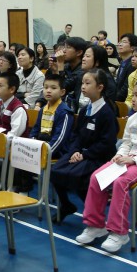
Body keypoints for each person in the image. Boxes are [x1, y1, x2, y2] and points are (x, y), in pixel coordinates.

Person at [76, 79, 137, 253]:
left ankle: (119, 232)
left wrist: (134, 160)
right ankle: (95, 225)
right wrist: (119, 155)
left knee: (121, 183)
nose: (132, 99)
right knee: (97, 177)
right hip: (129, 159)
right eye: (132, 95)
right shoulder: (133, 118)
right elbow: (126, 143)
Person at [50, 69, 118, 223]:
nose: (83, 86)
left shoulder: (107, 112)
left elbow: (107, 143)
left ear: (100, 87)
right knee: (54, 170)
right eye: (82, 83)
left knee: (77, 176)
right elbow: (76, 135)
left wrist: (85, 154)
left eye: (88, 83)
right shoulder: (84, 110)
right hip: (80, 153)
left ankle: (92, 211)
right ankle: (66, 205)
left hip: (99, 156)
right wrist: (75, 150)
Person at [29, 72, 74, 159]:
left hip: (55, 153)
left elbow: (59, 139)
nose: (48, 90)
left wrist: (44, 154)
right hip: (39, 149)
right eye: (46, 87)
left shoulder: (64, 112)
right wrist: (31, 147)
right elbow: (35, 130)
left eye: (53, 88)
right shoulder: (43, 109)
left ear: (62, 92)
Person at [0, 72, 28, 138]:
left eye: (0, 86)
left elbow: (14, 135)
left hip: (15, 145)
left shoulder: (18, 109)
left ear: (12, 89)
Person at [115, 33, 137, 102]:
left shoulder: (133, 64)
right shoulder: (123, 62)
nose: (119, 44)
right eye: (120, 42)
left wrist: (113, 100)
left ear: (132, 47)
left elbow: (125, 89)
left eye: (124, 42)